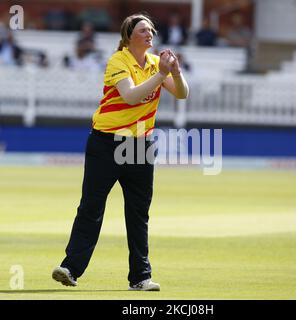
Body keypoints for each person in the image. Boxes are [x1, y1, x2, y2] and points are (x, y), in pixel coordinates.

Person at [52, 13, 189, 291]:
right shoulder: (118, 60)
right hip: (106, 142)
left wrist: (175, 71)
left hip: (140, 146)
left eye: (151, 29)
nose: (150, 33)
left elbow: (182, 94)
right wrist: (162, 74)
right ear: (129, 36)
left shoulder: (153, 64)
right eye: (142, 30)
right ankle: (70, 268)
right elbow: (130, 96)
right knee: (91, 207)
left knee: (138, 213)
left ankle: (140, 277)